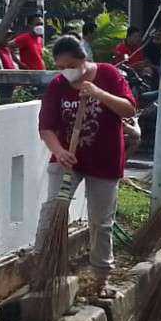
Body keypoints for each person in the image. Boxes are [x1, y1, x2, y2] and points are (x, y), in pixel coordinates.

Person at [38, 36, 137, 297]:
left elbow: (129, 109)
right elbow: (46, 128)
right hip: (68, 160)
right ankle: (45, 269)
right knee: (52, 212)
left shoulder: (108, 75)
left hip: (104, 161)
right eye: (61, 67)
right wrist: (59, 151)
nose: (66, 71)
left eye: (71, 65)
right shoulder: (58, 86)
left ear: (84, 60)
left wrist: (98, 93)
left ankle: (100, 279)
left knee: (100, 221)